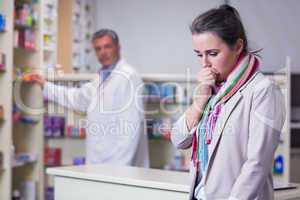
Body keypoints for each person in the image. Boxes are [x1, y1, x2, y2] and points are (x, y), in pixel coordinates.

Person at [171, 5, 285, 200]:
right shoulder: (209, 91)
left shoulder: (263, 90)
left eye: (212, 53)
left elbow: (257, 163)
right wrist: (199, 100)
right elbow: (179, 140)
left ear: (238, 47)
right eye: (199, 55)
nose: (204, 63)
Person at [31, 29, 149, 167]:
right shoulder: (100, 78)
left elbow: (131, 127)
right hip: (100, 162)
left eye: (107, 46)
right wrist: (45, 85)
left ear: (118, 47)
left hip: (119, 165)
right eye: (98, 48)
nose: (103, 52)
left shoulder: (129, 77)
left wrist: (119, 169)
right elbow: (77, 98)